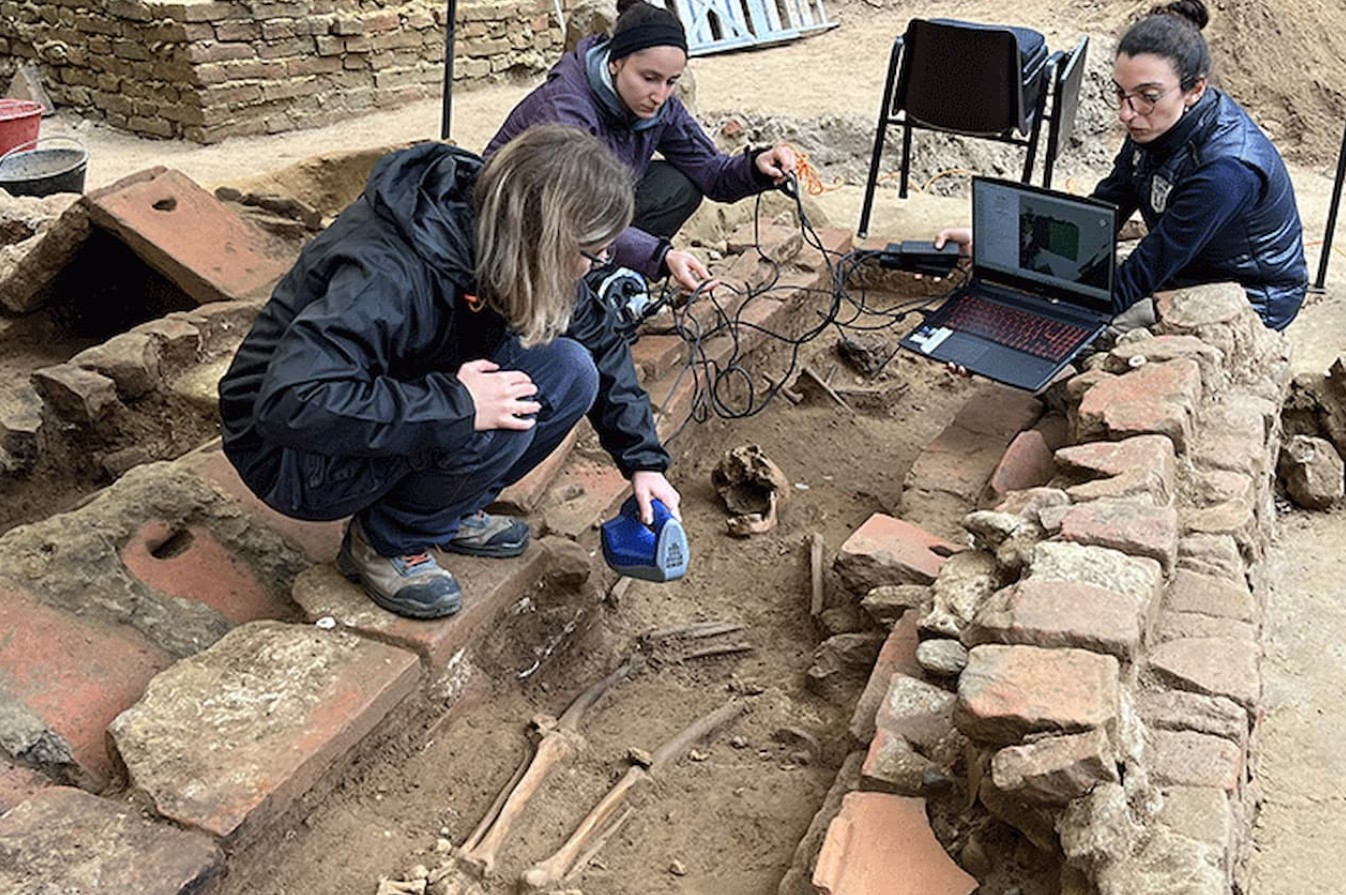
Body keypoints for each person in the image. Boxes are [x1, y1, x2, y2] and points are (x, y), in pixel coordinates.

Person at [218, 125, 681, 620]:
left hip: (397, 388)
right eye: (593, 253)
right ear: (547, 239)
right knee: (494, 413)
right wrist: (459, 406)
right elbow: (292, 401)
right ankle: (384, 541)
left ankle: (443, 509)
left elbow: (601, 341)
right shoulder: (389, 269)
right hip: (293, 456)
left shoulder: (506, 232)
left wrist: (642, 461)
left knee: (572, 372)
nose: (597, 266)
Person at [938, 0, 1308, 331]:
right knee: (1066, 284)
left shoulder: (1225, 171)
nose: (1126, 113)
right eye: (1121, 93)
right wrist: (1000, 244)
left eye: (1147, 97)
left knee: (1099, 333)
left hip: (1251, 296)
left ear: (1195, 89)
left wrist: (1031, 324)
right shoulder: (1156, 123)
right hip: (1188, 268)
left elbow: (1146, 269)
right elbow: (1101, 213)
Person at [484, 0, 798, 293]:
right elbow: (567, 214)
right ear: (615, 63)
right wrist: (660, 256)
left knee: (680, 184)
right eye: (649, 78)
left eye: (671, 81)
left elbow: (710, 173)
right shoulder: (565, 111)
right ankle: (571, 290)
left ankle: (602, 275)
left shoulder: (659, 109)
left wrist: (757, 166)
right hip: (516, 225)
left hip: (587, 215)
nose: (660, 94)